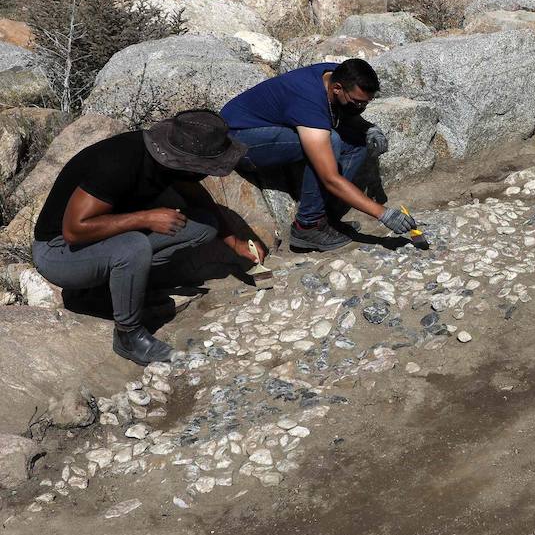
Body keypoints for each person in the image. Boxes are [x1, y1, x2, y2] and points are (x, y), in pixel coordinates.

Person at [31, 110, 259, 366]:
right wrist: (146, 218)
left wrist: (235, 241)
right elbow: (74, 231)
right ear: (185, 161)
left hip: (102, 243)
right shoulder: (117, 163)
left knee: (204, 226)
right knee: (133, 247)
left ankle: (118, 291)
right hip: (57, 252)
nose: (208, 174)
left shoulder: (170, 162)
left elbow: (194, 194)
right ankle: (128, 335)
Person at [220, 58, 418, 252]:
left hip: (269, 127)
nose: (361, 108)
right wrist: (383, 214)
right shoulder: (309, 101)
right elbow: (329, 178)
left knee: (357, 142)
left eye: (366, 103)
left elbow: (341, 111)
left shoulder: (334, 74)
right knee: (330, 141)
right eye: (357, 103)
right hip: (238, 141)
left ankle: (325, 217)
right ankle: (308, 227)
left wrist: (368, 128)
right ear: (337, 89)